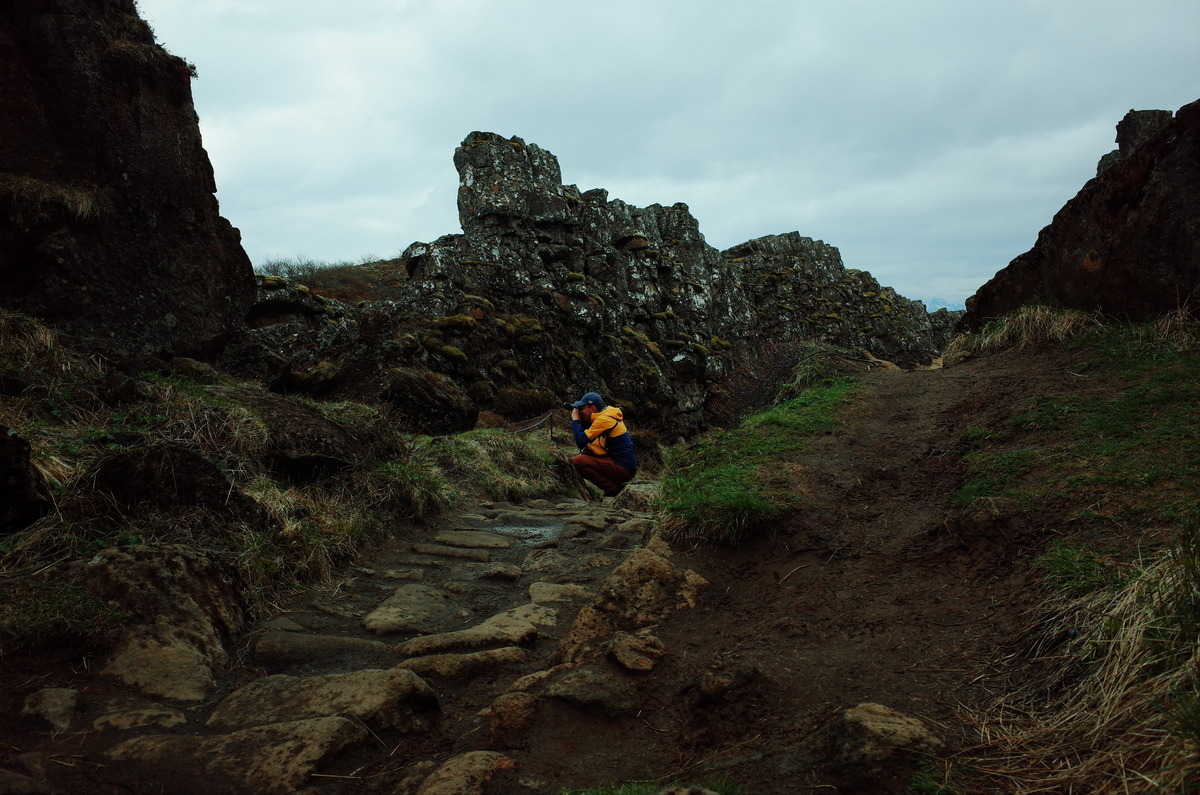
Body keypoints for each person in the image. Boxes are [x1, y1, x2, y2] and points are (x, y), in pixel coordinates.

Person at [569, 391, 638, 498]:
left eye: (582, 408)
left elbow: (581, 441)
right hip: (625, 465)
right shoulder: (606, 415)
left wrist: (576, 421)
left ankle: (613, 489)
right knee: (587, 453)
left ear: (592, 408)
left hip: (623, 468)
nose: (580, 412)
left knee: (578, 462)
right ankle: (614, 486)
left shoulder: (604, 420)